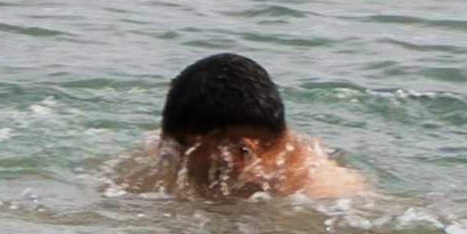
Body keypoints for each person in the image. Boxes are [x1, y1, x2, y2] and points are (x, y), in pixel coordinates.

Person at [112, 53, 361, 204]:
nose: (170, 156)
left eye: (186, 150)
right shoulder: (164, 151)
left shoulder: (325, 196)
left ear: (241, 151)